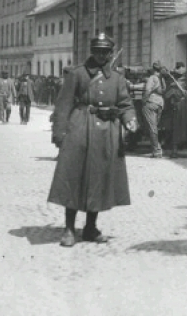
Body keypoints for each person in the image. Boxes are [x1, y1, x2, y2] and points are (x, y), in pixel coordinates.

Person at [48, 33, 138, 248]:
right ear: (92, 51)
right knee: (73, 176)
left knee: (99, 178)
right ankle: (69, 228)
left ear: (110, 53)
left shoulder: (116, 78)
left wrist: (130, 119)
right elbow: (63, 105)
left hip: (106, 132)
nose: (100, 55)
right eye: (97, 51)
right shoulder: (77, 74)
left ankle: (90, 227)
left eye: (105, 51)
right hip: (80, 127)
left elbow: (125, 103)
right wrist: (60, 133)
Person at [142, 62, 165, 158]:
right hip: (160, 103)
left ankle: (157, 150)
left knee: (152, 127)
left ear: (153, 69)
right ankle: (157, 148)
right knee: (155, 126)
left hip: (151, 102)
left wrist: (144, 100)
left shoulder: (152, 78)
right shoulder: (162, 79)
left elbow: (147, 90)